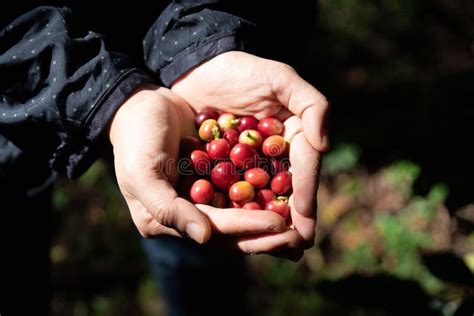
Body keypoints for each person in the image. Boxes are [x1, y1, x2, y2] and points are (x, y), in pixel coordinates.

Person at [0, 1, 329, 315]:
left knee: (188, 229)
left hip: (214, 47)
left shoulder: (221, 146)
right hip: (29, 104)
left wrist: (203, 43)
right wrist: (106, 101)